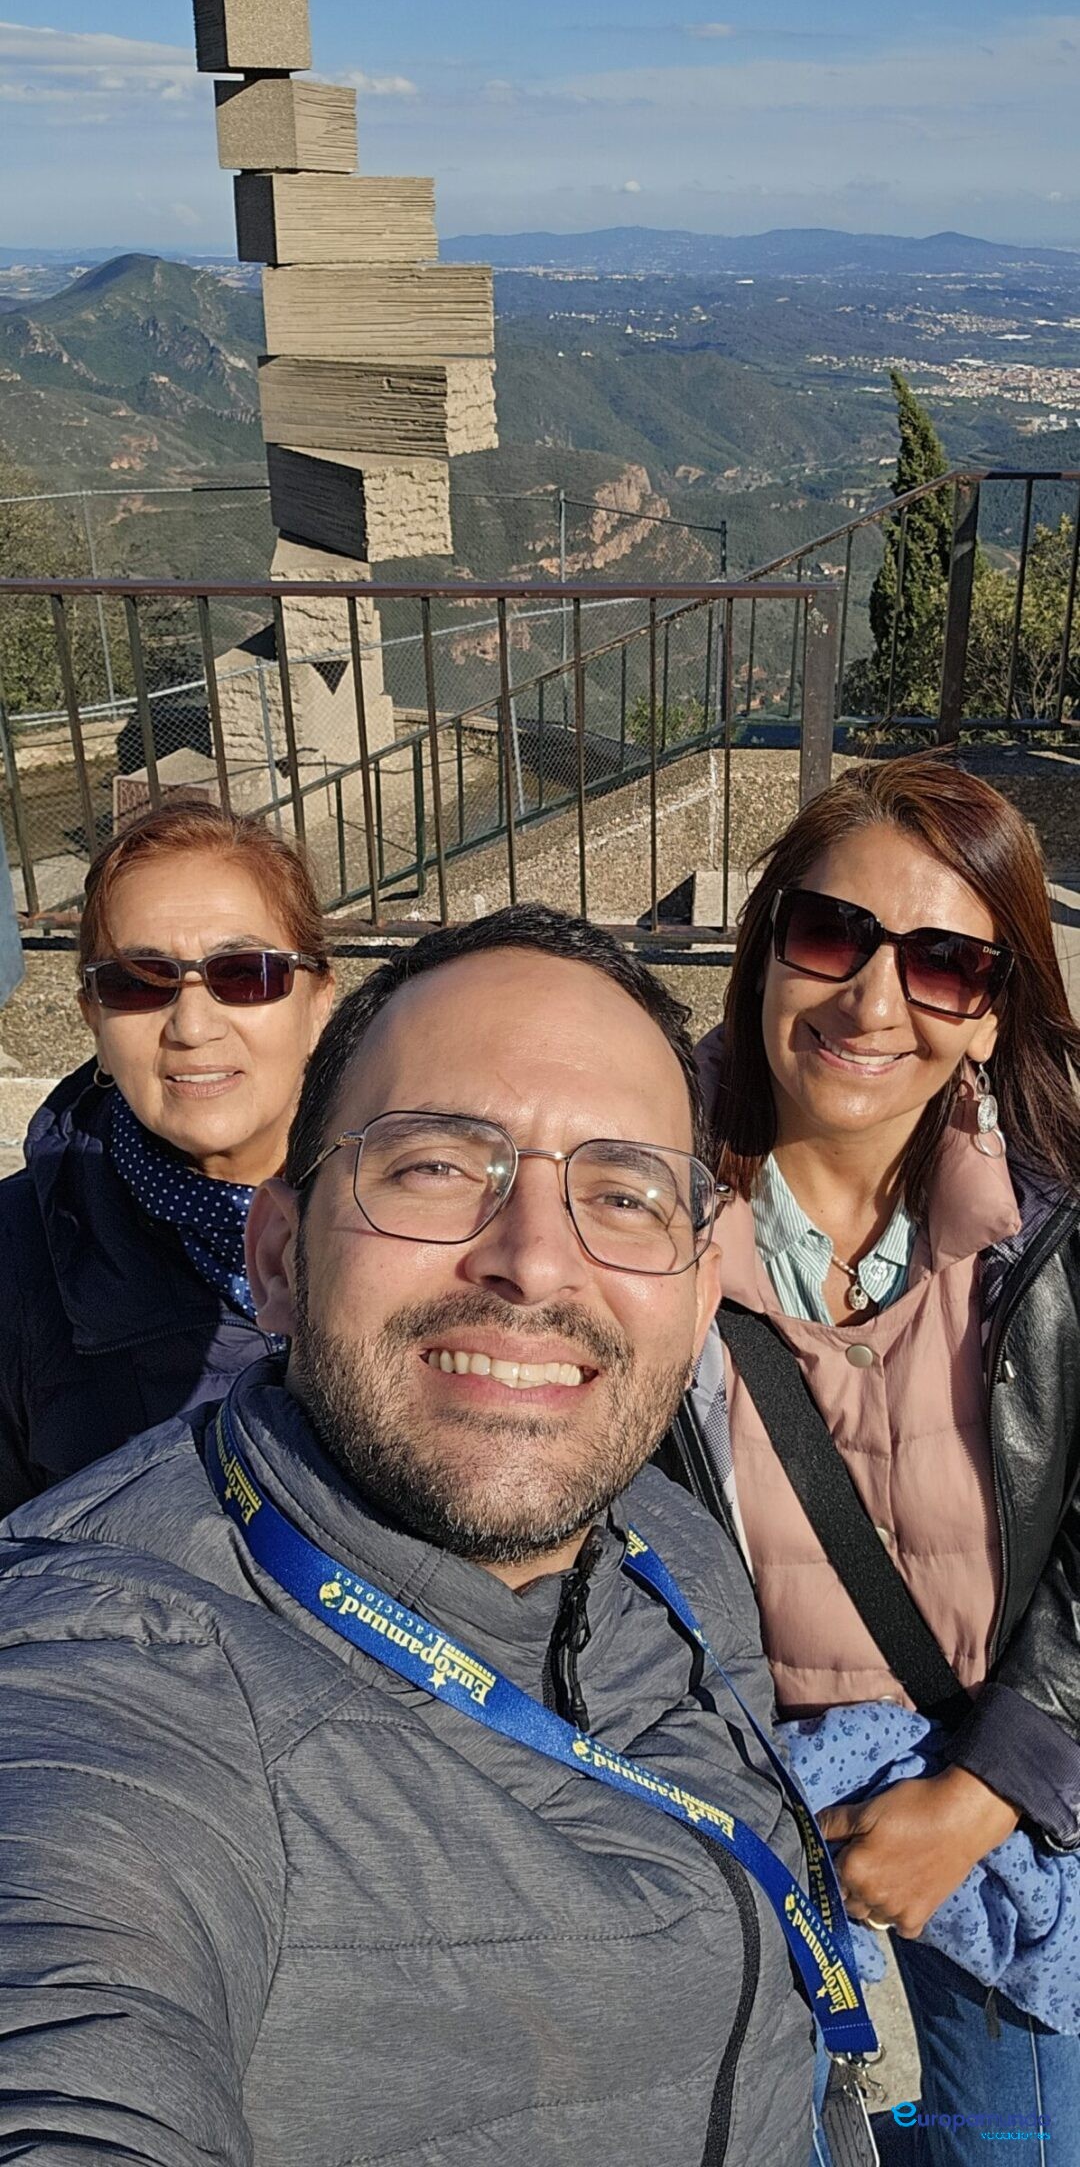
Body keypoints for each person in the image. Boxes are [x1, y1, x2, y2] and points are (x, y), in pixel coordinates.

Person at [0, 905, 825, 2166]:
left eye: (622, 1189)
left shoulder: (666, 1539)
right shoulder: (114, 1651)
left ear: (699, 1289)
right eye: (436, 1164)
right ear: (278, 1255)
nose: (537, 1262)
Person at [687, 756, 1080, 2161]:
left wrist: (977, 1798)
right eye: (831, 934)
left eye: (943, 964)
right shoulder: (627, 1206)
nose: (871, 1001)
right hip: (718, 1810)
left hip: (1003, 1790)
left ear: (991, 1014)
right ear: (764, 945)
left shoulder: (1051, 1227)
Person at [0, 798, 334, 1516]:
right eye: (137, 983)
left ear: (318, 1001)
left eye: (245, 973)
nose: (190, 1024)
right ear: (92, 1014)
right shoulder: (13, 1258)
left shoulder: (433, 1217)